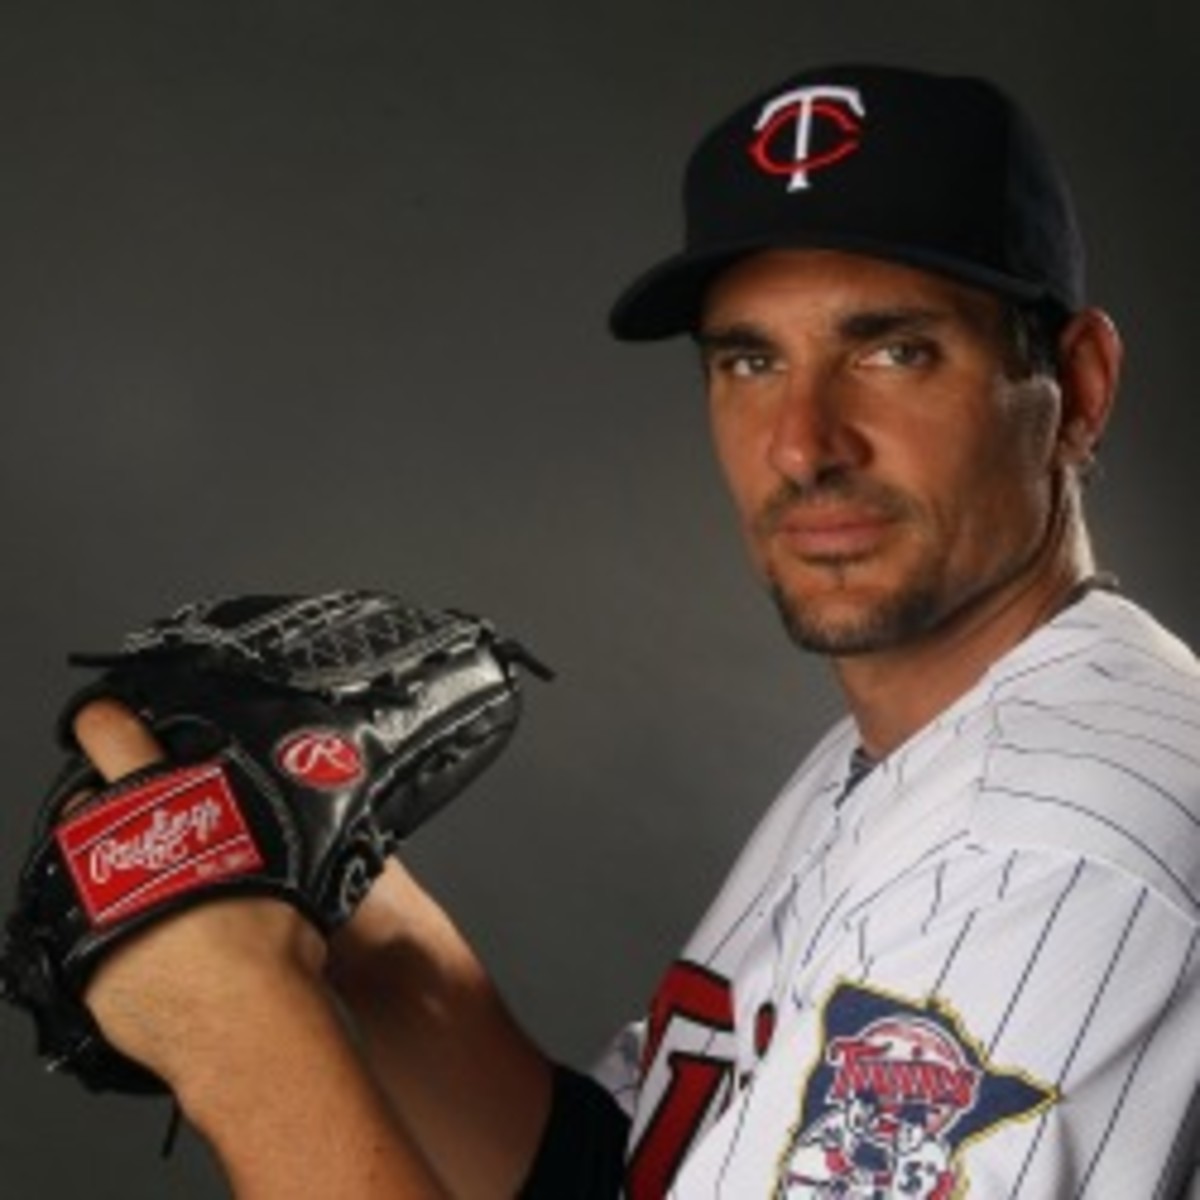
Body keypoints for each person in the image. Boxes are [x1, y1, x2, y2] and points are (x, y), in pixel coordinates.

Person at [64, 62, 1200, 1198]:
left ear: (1079, 388)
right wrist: (380, 945)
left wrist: (243, 1046)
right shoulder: (926, 747)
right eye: (750, 361)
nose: (804, 444)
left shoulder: (1045, 842)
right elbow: (619, 1176)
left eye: (893, 351)